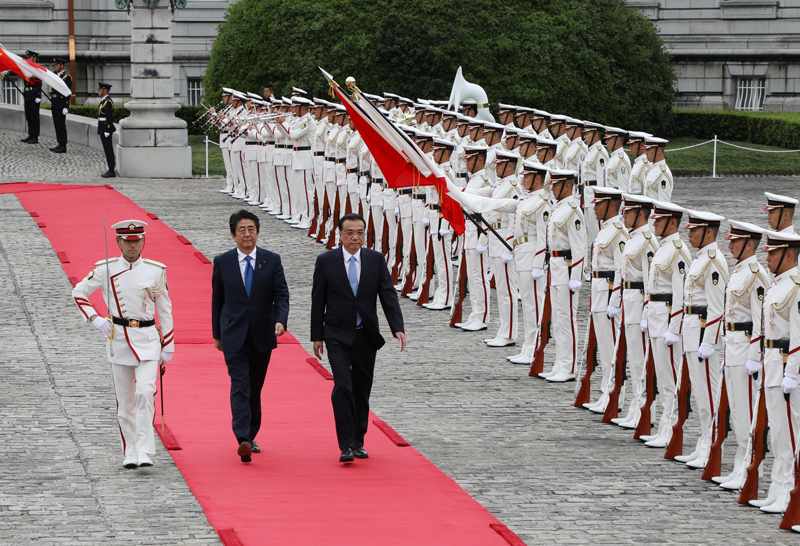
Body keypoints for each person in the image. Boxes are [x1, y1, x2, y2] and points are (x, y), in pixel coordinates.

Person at [72, 220, 174, 469]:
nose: (133, 245)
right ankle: (130, 451)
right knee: (125, 399)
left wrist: (168, 345)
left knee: (145, 392)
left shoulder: (155, 270)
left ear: (143, 241)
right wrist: (95, 319)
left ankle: (145, 450)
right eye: (128, 241)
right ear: (118, 242)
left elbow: (166, 310)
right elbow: (79, 292)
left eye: (137, 240)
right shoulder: (105, 269)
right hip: (119, 339)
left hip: (149, 339)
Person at [311, 213, 406, 463]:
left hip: (365, 335)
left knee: (362, 389)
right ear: (340, 235)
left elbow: (387, 294)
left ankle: (358, 441)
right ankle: (345, 444)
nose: (355, 237)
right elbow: (317, 300)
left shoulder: (375, 260)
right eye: (350, 232)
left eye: (360, 232)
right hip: (336, 335)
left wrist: (397, 326)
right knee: (343, 385)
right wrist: (316, 336)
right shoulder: (326, 260)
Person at [211, 209, 290, 462]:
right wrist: (217, 334)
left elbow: (281, 295)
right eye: (242, 230)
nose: (247, 234)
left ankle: (251, 433)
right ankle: (242, 438)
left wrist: (280, 320)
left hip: (262, 334)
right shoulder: (222, 262)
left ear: (257, 233)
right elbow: (217, 300)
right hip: (233, 334)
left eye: (251, 229)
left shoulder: (271, 260)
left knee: (254, 388)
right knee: (240, 386)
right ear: (233, 235)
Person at [49, 57, 72, 153]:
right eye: (55, 65)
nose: (55, 66)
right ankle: (59, 143)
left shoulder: (67, 77)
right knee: (56, 124)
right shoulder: (54, 75)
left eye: (57, 65)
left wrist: (66, 106)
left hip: (61, 104)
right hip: (55, 103)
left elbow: (67, 93)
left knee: (61, 125)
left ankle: (63, 145)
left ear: (62, 65)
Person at [20, 50, 42, 145]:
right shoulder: (28, 68)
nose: (28, 59)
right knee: (28, 116)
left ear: (35, 58)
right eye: (27, 57)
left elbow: (39, 84)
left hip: (34, 96)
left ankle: (35, 136)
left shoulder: (37, 69)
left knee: (34, 117)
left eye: (30, 57)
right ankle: (30, 134)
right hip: (28, 95)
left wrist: (38, 96)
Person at [97, 82, 116, 178]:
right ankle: (110, 168)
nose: (99, 90)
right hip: (102, 127)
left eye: (100, 89)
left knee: (108, 149)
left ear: (105, 90)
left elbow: (109, 117)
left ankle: (111, 169)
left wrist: (108, 129)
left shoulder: (108, 102)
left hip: (105, 127)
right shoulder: (103, 101)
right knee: (106, 149)